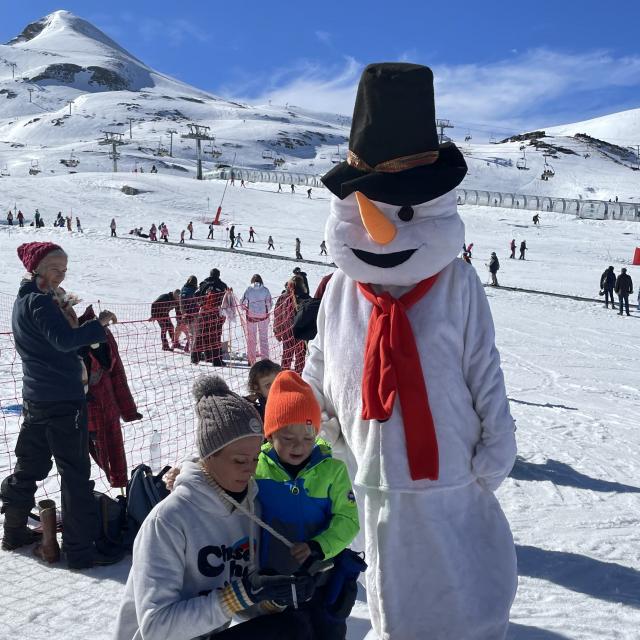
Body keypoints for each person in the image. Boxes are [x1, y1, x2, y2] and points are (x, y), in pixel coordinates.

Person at [304, 63, 517, 639]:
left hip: (450, 471)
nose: (382, 237)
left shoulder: (457, 284)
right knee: (389, 583)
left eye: (400, 213)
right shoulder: (341, 291)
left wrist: (497, 437)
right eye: (364, 211)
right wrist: (323, 428)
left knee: (463, 574)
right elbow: (319, 368)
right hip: (368, 471)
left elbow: (482, 365)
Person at [113, 375, 315, 640]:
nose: (251, 469)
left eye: (256, 458)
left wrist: (270, 597)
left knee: (299, 624)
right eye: (240, 460)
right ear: (208, 456)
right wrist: (242, 594)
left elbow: (239, 601)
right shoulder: (169, 519)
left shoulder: (249, 506)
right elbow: (155, 628)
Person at [1, 242, 121, 569]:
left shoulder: (23, 300)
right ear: (36, 267)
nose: (61, 274)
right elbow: (64, 341)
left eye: (65, 269)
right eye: (55, 267)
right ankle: (81, 552)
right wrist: (99, 326)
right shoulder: (40, 303)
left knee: (30, 466)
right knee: (75, 474)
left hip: (37, 398)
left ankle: (13, 532)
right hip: (62, 400)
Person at [256, 371, 362, 638]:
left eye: (307, 436)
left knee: (325, 631)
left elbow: (348, 520)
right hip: (274, 582)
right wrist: (187, 469)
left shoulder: (332, 471)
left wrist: (319, 546)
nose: (298, 446)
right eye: (288, 438)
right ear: (270, 435)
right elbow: (218, 466)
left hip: (323, 580)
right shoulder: (256, 469)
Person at [77, 306, 142, 488]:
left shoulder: (94, 332)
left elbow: (116, 374)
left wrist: (128, 410)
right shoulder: (59, 334)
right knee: (74, 465)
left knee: (108, 454)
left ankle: (117, 491)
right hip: (74, 412)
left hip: (102, 408)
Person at [274, 276, 309, 374]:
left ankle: (285, 376)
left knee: (288, 356)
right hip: (299, 332)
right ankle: (297, 376)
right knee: (299, 357)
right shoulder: (306, 298)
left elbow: (277, 315)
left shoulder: (283, 298)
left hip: (289, 332)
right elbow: (278, 314)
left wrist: (277, 330)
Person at [194, 269, 229, 366]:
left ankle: (195, 358)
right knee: (215, 336)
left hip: (204, 313)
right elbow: (226, 300)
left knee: (201, 335)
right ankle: (216, 360)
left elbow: (196, 295)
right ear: (219, 275)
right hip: (215, 314)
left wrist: (201, 304)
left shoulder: (203, 284)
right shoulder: (222, 285)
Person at [241, 274, 273, 365]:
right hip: (263, 318)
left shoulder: (249, 289)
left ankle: (251, 360)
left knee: (251, 339)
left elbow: (242, 303)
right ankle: (265, 360)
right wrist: (265, 311)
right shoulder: (265, 290)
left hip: (251, 317)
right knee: (264, 339)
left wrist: (247, 309)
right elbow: (270, 303)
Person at [178, 275, 199, 353]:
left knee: (191, 332)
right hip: (194, 314)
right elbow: (196, 301)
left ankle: (188, 347)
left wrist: (183, 313)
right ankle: (192, 350)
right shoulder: (194, 290)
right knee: (194, 333)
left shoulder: (183, 289)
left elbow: (181, 303)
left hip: (185, 314)